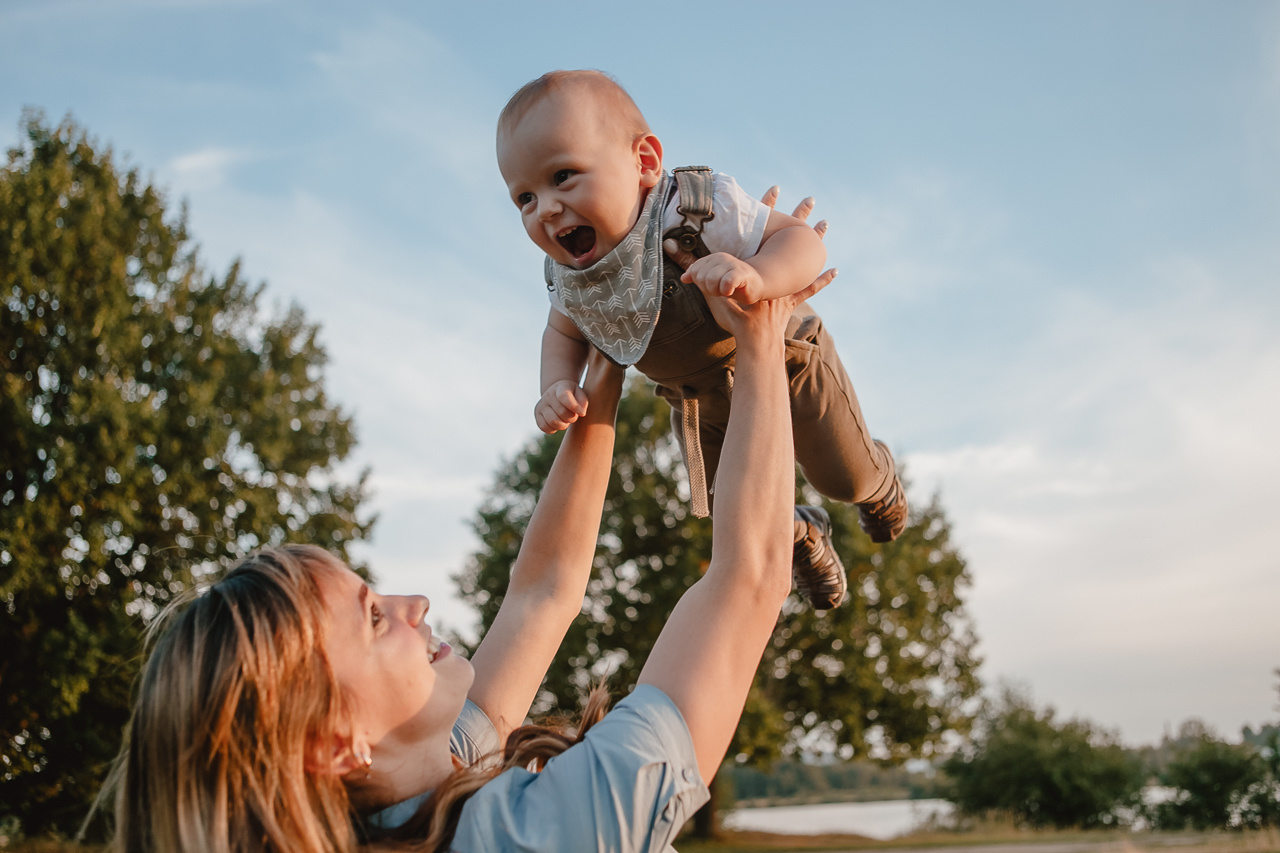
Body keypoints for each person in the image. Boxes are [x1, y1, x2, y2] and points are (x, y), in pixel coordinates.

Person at [101, 233, 836, 852]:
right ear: (333, 744)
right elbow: (750, 575)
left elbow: (543, 592)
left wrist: (606, 360)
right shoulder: (535, 833)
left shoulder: (415, 794)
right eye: (374, 617)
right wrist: (760, 335)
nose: (414, 602)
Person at [496, 69, 907, 610]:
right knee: (739, 520)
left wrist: (759, 274)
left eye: (564, 176)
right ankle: (801, 533)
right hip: (699, 403)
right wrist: (556, 385)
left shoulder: (694, 209)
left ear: (643, 162)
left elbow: (800, 240)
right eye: (524, 198)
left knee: (842, 478)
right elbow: (561, 331)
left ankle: (878, 485)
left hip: (786, 363)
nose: (545, 208)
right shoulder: (576, 279)